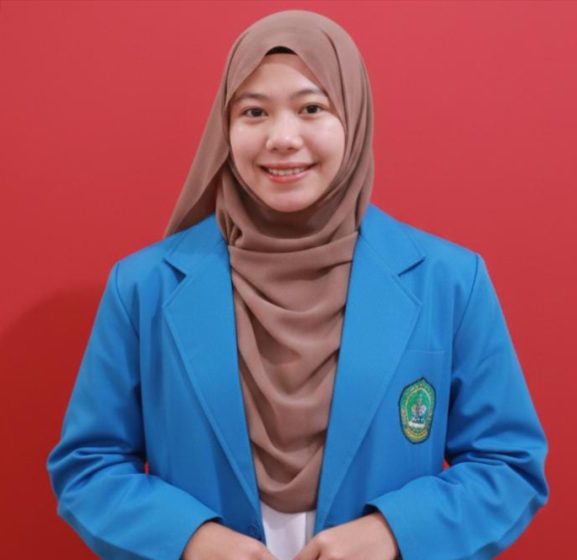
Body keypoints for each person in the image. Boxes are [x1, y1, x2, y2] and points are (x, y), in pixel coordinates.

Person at [46, 9, 549, 560]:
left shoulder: (449, 282)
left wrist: (394, 534)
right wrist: (190, 540)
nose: (282, 138)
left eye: (312, 108)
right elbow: (88, 467)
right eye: (253, 112)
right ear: (224, 130)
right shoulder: (145, 287)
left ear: (353, 118)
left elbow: (508, 465)